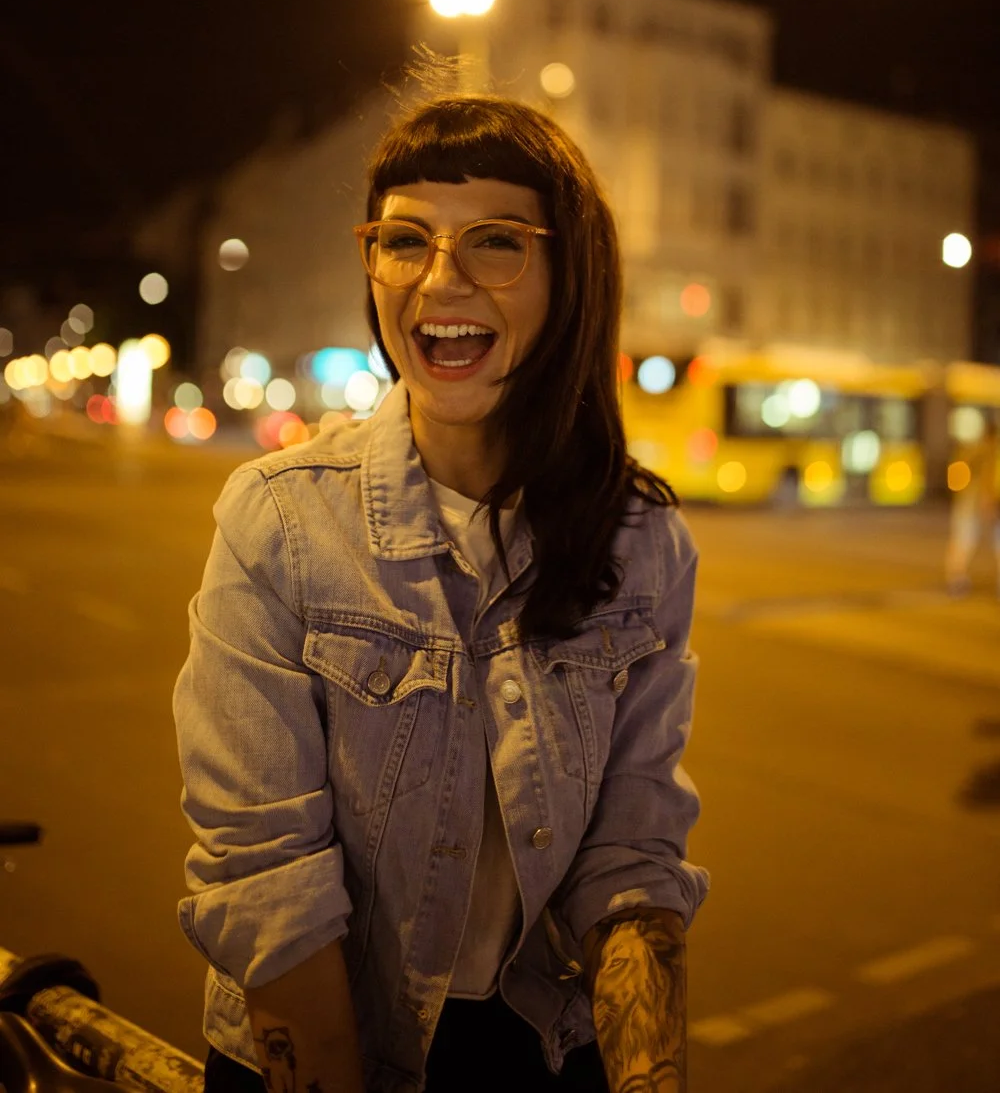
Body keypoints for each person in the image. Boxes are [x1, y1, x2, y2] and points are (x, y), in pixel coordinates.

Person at [174, 89, 709, 1093]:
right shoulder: (281, 519)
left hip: (544, 1047)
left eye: (496, 242)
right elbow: (266, 882)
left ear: (567, 273)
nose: (439, 281)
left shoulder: (642, 539)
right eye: (405, 240)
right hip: (328, 1048)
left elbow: (633, 853)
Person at [945, 412, 999, 597]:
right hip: (986, 501)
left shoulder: (970, 449)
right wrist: (987, 500)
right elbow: (988, 478)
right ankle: (957, 578)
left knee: (963, 540)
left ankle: (956, 577)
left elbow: (956, 475)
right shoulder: (991, 452)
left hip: (968, 500)